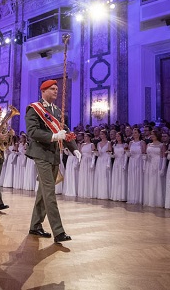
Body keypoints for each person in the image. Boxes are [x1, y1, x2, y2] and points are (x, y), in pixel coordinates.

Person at [25, 79, 81, 244]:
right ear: (43, 91)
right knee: (49, 193)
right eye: (53, 89)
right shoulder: (34, 109)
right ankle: (58, 231)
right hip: (41, 154)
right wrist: (54, 136)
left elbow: (66, 131)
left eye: (57, 88)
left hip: (54, 155)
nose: (56, 91)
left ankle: (35, 226)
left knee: (43, 193)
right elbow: (32, 132)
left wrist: (74, 148)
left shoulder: (57, 111)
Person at [143, 129, 166, 208]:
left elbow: (163, 157)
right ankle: (150, 199)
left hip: (157, 163)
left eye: (153, 134)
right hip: (149, 164)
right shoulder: (149, 144)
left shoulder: (161, 145)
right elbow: (146, 154)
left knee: (157, 181)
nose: (152, 135)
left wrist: (162, 168)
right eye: (151, 134)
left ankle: (157, 200)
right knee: (150, 181)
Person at [126, 127, 146, 205]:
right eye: (133, 133)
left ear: (139, 134)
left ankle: (138, 198)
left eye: (136, 132)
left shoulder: (142, 142)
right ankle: (132, 197)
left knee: (138, 178)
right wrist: (127, 152)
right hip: (132, 161)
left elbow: (144, 153)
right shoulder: (130, 143)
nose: (134, 134)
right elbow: (128, 153)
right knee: (132, 178)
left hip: (139, 161)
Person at [109, 131, 128, 202]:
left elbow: (126, 155)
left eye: (118, 136)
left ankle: (122, 196)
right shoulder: (114, 145)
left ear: (121, 137)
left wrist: (125, 164)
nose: (117, 137)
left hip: (122, 162)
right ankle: (116, 195)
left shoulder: (125, 144)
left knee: (122, 178)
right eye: (116, 136)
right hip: (116, 162)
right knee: (116, 178)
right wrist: (110, 155)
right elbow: (114, 155)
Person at [93, 130, 112, 200]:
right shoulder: (98, 143)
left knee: (105, 176)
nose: (101, 135)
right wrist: (96, 152)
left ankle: (105, 194)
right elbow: (98, 154)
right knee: (99, 175)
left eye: (102, 134)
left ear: (105, 135)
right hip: (100, 160)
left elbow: (109, 153)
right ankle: (99, 193)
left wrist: (108, 162)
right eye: (100, 134)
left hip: (105, 160)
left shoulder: (108, 143)